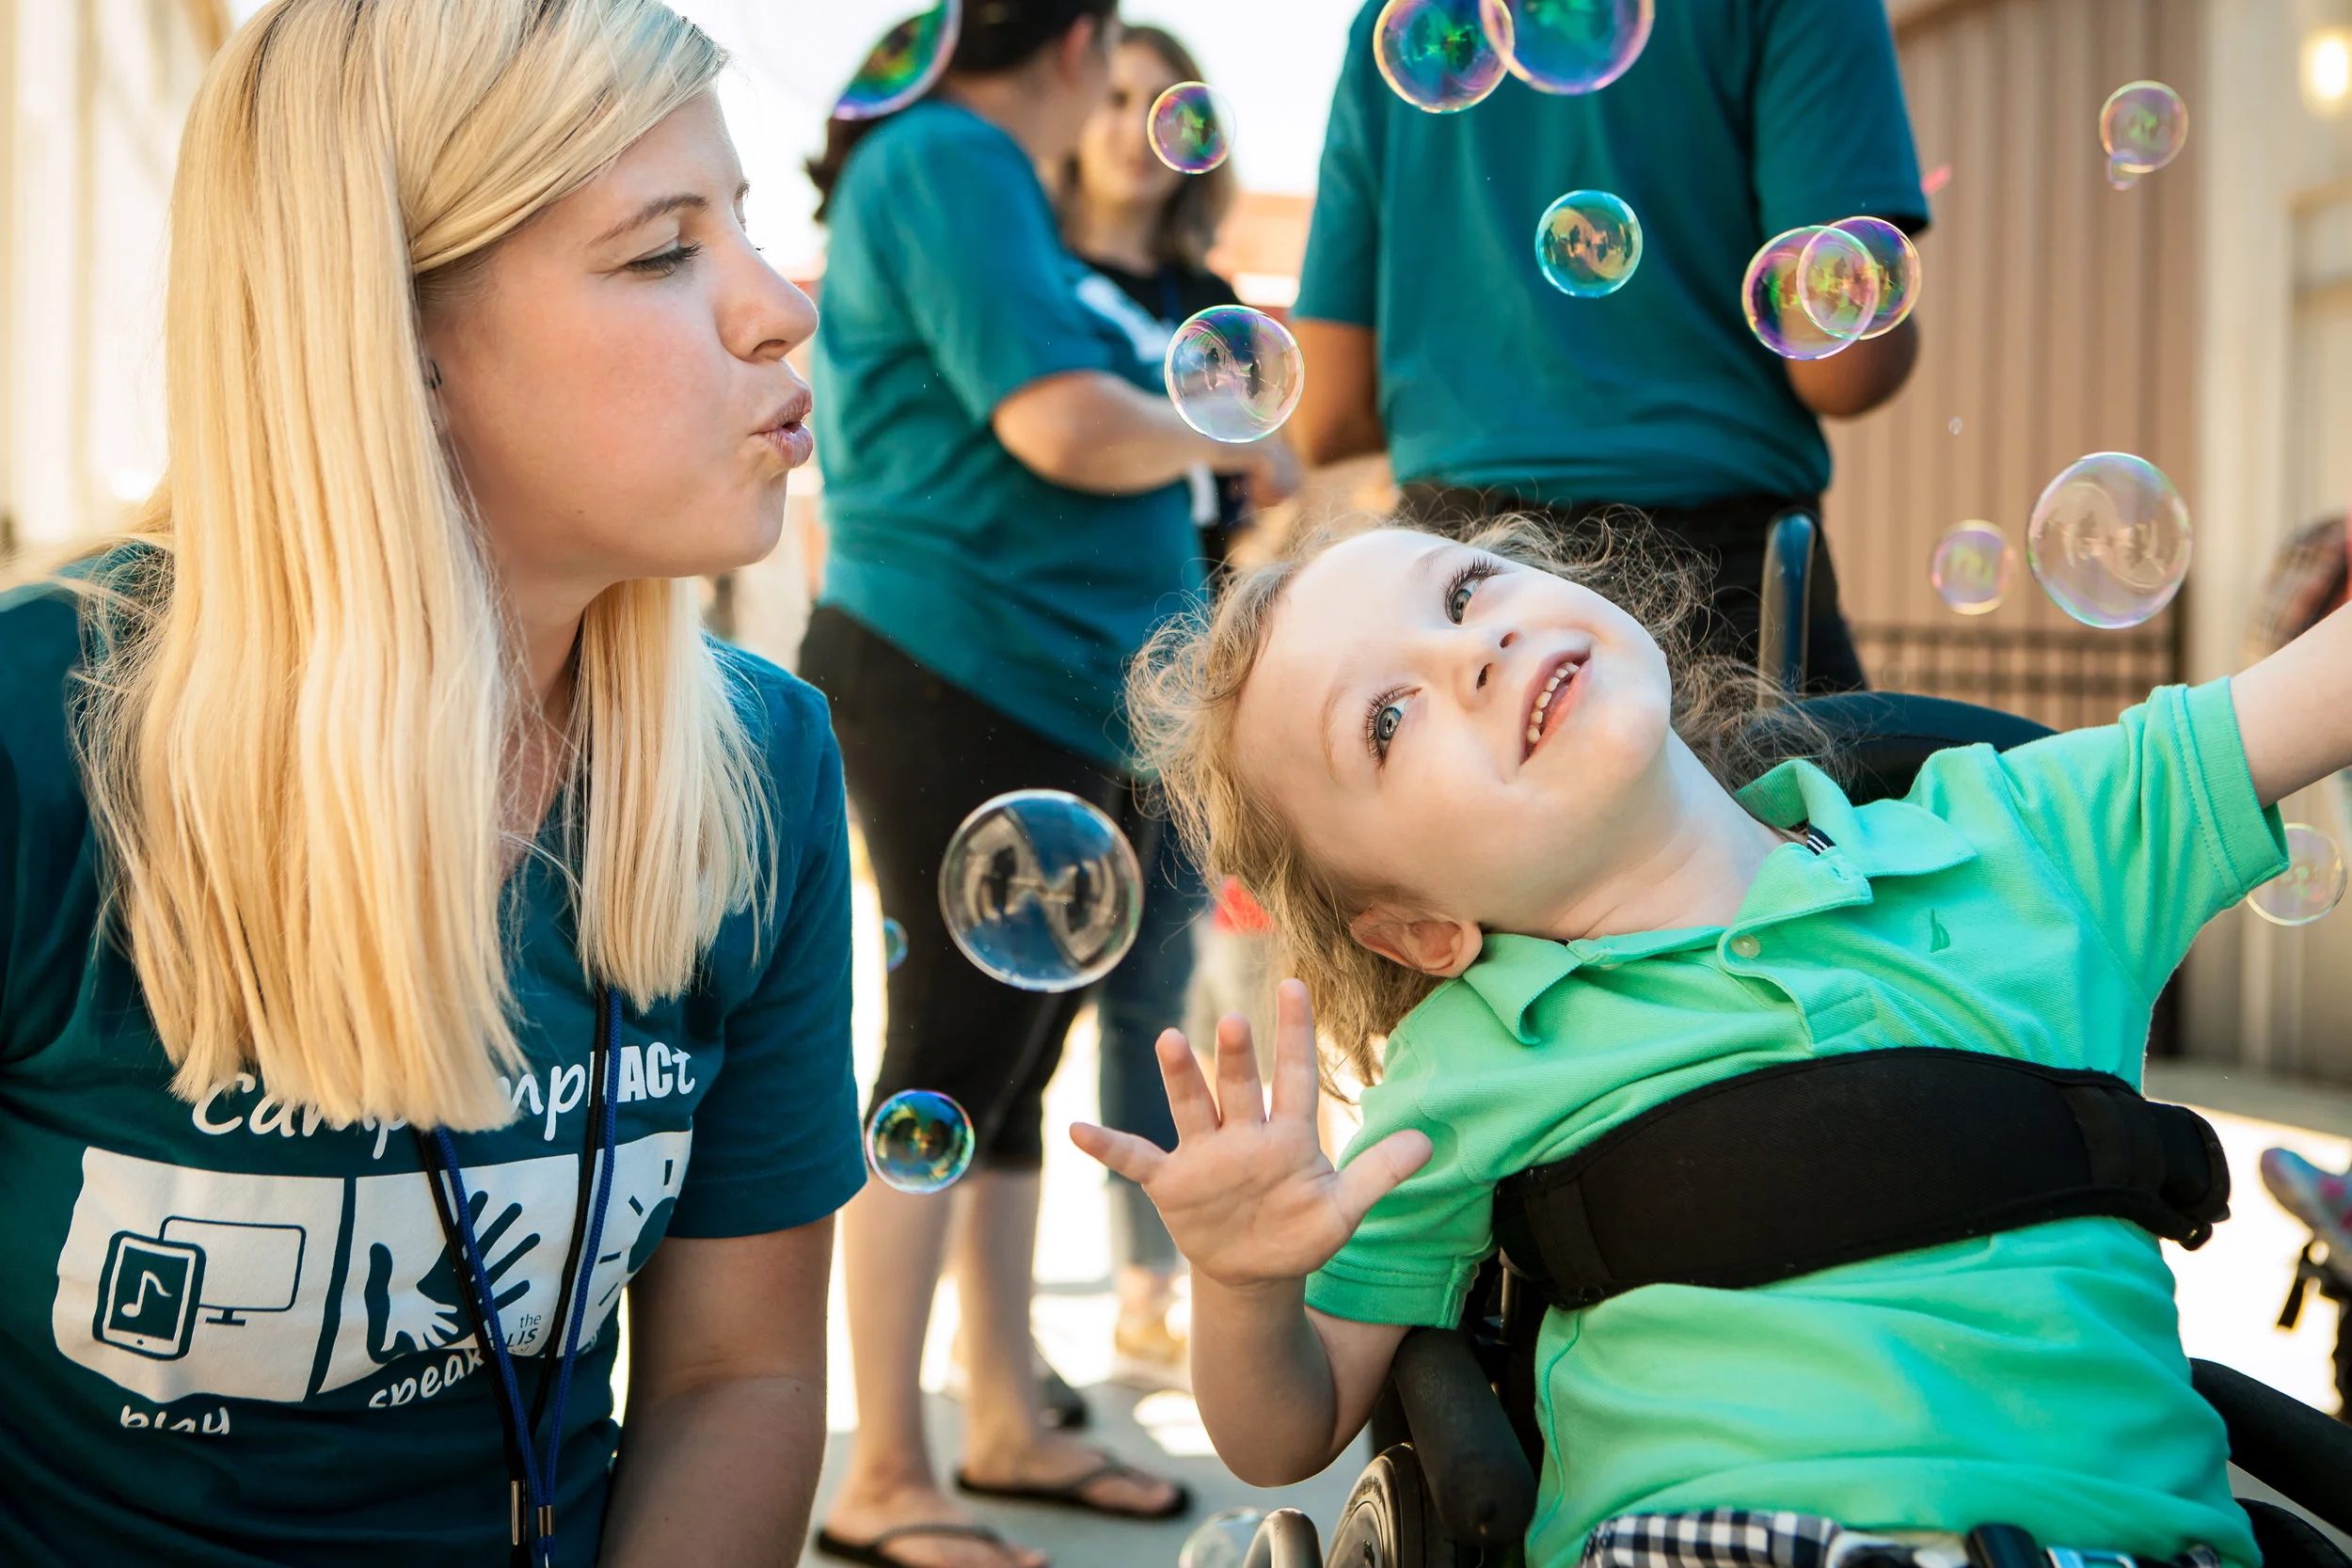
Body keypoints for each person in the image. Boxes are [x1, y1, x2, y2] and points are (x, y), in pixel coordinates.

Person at [0, 2, 863, 1563]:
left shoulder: (767, 761)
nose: (780, 306)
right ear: (390, 337)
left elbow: (738, 1375)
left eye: (745, 226)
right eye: (663, 251)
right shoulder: (32, 734)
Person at [1072, 517, 2352, 1565]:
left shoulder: (2027, 834)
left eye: (1463, 590)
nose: (1473, 651)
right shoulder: (1468, 1061)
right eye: (1387, 721)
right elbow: (1285, 1431)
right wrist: (1242, 1284)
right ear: (1418, 929)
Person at [799, 5, 1297, 1566]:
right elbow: (1061, 421)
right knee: (945, 1070)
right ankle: (886, 1471)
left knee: (1003, 1082)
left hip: (1040, 683)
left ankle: (1002, 1416)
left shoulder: (970, 171)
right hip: (965, 666)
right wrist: (1219, 430)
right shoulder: (949, 157)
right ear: (1078, 40)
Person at [1288, 0, 1929, 691]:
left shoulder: (1400, 25)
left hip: (1460, 582)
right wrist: (1887, 304)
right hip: (1723, 593)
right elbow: (1846, 372)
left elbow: (1326, 414)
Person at [1059, 22, 1250, 1393]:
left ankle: (1145, 1288)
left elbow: (1242, 504)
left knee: (1156, 999)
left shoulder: (1212, 302)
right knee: (1018, 1021)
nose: (1134, 127)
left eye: (1161, 104)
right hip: (1055, 671)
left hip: (1185, 688)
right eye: (1113, 95)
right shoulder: (1037, 285)